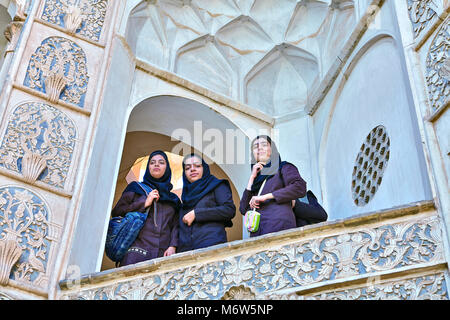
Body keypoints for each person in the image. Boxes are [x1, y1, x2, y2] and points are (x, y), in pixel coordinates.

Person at [111, 150, 181, 266]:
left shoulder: (173, 199)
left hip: (162, 255)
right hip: (135, 253)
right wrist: (144, 203)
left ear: (167, 168)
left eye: (161, 162)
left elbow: (175, 226)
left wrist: (173, 246)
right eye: (152, 162)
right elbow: (118, 211)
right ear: (148, 167)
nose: (156, 164)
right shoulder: (136, 188)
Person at [239, 135, 307, 237]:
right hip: (258, 233)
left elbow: (299, 187)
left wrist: (266, 196)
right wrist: (252, 178)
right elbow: (243, 209)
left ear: (272, 150)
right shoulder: (256, 180)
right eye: (255, 146)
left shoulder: (284, 167)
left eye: (264, 145)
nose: (259, 148)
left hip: (279, 226)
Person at [178, 153, 236, 252]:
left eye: (197, 166)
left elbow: (229, 210)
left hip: (211, 247)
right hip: (186, 252)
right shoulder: (185, 195)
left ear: (204, 168)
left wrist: (197, 214)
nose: (192, 169)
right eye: (187, 168)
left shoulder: (216, 186)